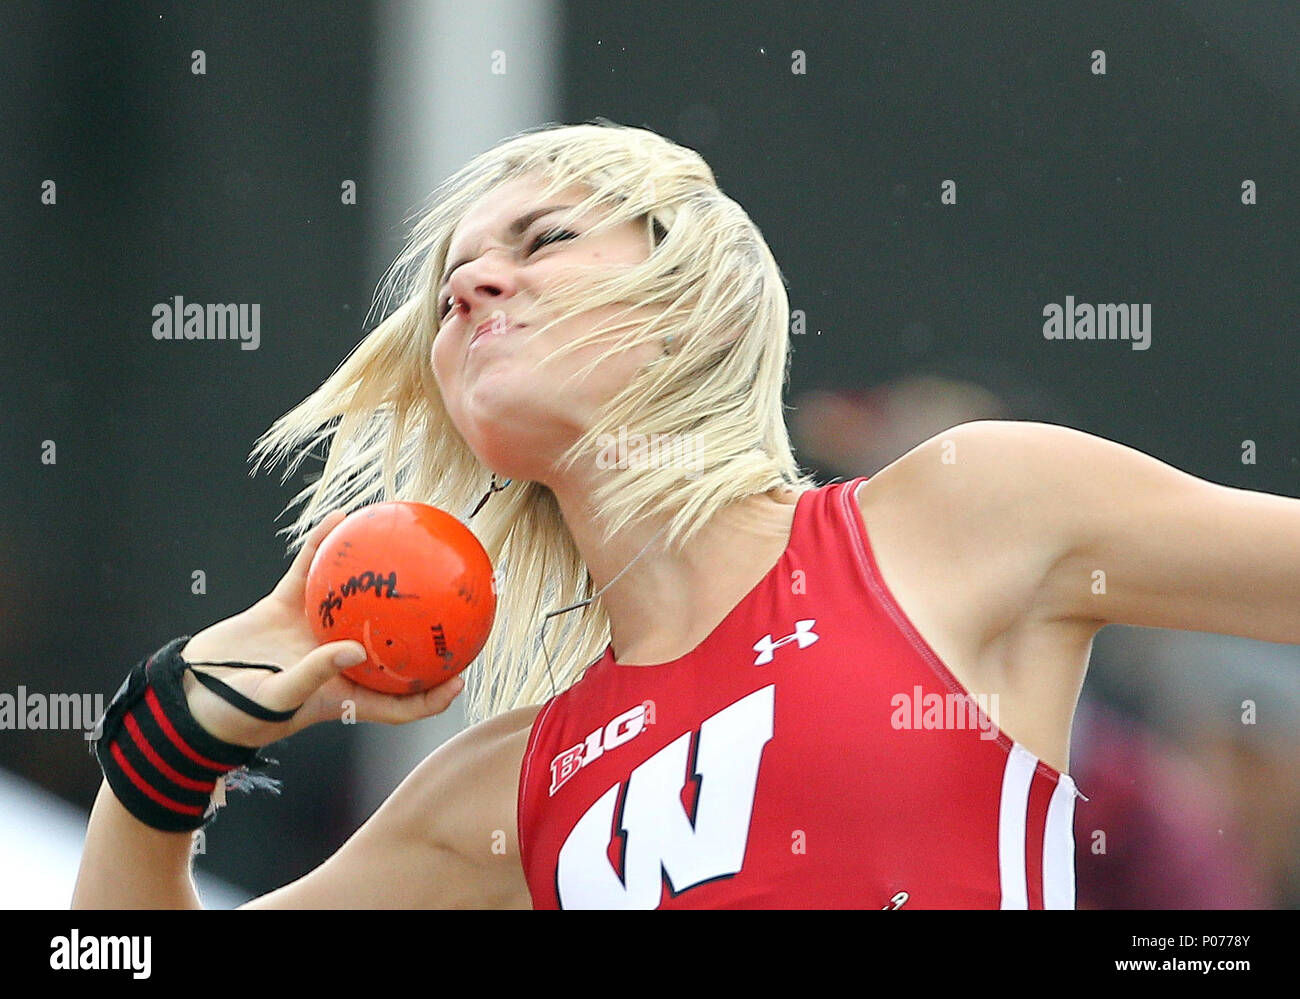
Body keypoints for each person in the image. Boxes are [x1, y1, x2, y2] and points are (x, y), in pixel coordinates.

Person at [73, 120, 1300, 909]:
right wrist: (160, 763)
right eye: (450, 290)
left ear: (695, 307)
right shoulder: (504, 789)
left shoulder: (966, 516)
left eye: (544, 238)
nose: (473, 281)